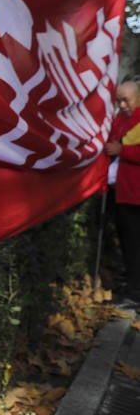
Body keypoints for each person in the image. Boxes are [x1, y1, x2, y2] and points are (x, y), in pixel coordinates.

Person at [105, 75, 140, 302]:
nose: (122, 105)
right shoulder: (119, 119)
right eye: (119, 101)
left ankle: (136, 290)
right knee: (127, 241)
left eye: (126, 100)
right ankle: (133, 283)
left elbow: (121, 148)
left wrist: (122, 151)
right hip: (121, 192)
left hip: (136, 193)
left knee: (135, 242)